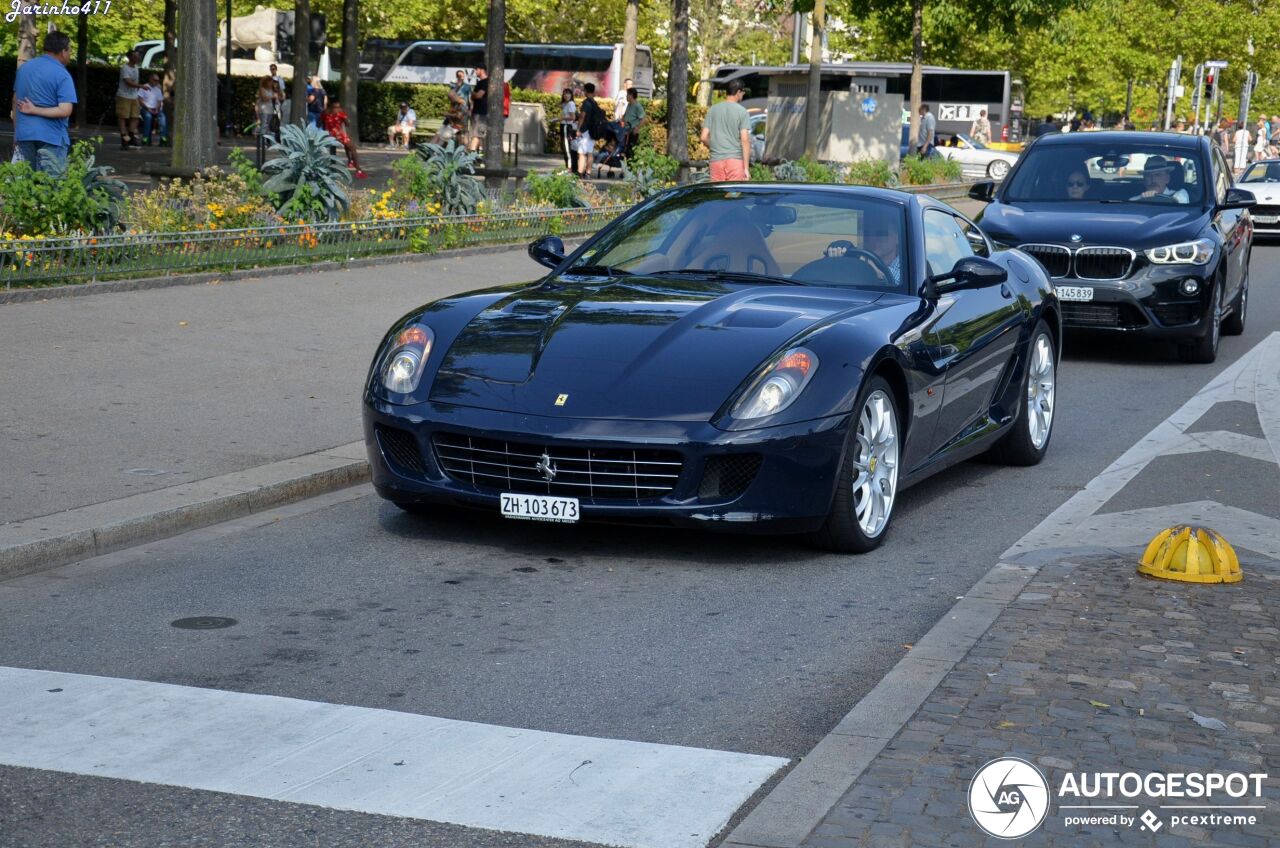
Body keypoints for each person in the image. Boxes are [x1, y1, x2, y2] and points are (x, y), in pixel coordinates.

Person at [10, 30, 76, 172]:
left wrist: (16, 133)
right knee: (50, 187)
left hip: (24, 134)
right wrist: (35, 110)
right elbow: (65, 110)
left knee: (23, 185)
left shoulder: (25, 68)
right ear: (63, 52)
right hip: (51, 138)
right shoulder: (63, 75)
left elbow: (15, 100)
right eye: (69, 50)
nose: (70, 54)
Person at [700, 78, 751, 182]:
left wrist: (715, 146)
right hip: (735, 160)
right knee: (734, 195)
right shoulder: (742, 112)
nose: (743, 95)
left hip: (716, 161)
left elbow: (704, 137)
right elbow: (744, 140)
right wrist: (746, 168)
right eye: (743, 92)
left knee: (718, 195)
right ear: (738, 92)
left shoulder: (713, 110)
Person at [321, 98, 367, 179]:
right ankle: (358, 170)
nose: (338, 108)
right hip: (338, 135)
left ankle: (333, 168)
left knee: (333, 150)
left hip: (328, 135)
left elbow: (320, 123)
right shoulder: (340, 113)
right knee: (352, 147)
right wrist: (344, 118)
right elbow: (347, 123)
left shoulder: (325, 113)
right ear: (335, 106)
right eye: (337, 107)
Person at [575, 82, 606, 177]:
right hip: (593, 131)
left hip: (585, 131)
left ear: (586, 91)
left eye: (584, 90)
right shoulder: (594, 102)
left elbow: (583, 116)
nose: (583, 92)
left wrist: (578, 129)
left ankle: (580, 173)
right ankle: (588, 173)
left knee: (581, 153)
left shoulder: (586, 103)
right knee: (590, 153)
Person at [116, 49, 143, 149]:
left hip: (134, 96)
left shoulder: (136, 68)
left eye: (138, 56)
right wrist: (141, 86)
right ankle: (124, 138)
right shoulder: (125, 68)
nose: (137, 58)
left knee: (135, 116)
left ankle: (131, 136)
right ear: (130, 57)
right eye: (135, 56)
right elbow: (128, 82)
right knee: (123, 117)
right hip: (124, 95)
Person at [138, 72, 167, 145]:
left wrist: (157, 109)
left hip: (155, 108)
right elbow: (140, 100)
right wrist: (148, 109)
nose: (157, 82)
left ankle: (163, 138)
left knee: (162, 116)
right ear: (150, 79)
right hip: (145, 108)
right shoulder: (144, 87)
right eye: (155, 80)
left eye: (158, 80)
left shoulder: (158, 89)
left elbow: (159, 101)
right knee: (148, 117)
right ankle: (146, 138)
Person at [467, 67, 488, 152]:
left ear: (481, 70)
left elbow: (479, 95)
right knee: (476, 134)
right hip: (477, 111)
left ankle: (471, 154)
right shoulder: (480, 82)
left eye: (476, 70)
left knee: (477, 134)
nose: (475, 72)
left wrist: (472, 93)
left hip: (481, 113)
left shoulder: (485, 82)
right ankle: (477, 155)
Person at [618, 86, 646, 150]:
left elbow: (643, 119)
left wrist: (637, 128)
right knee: (624, 149)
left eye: (627, 94)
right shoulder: (629, 104)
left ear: (631, 95)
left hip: (632, 132)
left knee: (630, 150)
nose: (626, 96)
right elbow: (626, 116)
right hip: (626, 131)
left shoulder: (637, 106)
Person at [558, 86, 577, 169]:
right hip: (563, 125)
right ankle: (568, 167)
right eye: (565, 94)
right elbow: (557, 104)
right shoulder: (566, 104)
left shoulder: (571, 104)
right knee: (564, 147)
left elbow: (573, 117)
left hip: (566, 126)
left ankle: (569, 168)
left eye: (568, 93)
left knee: (566, 147)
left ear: (571, 95)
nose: (566, 95)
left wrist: (563, 118)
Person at [256, 74, 280, 142]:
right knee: (264, 125)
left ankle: (268, 141)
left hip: (270, 110)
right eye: (270, 82)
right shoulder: (262, 89)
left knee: (269, 126)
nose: (271, 83)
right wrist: (272, 97)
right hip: (264, 110)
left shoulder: (272, 90)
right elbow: (264, 98)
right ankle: (262, 141)